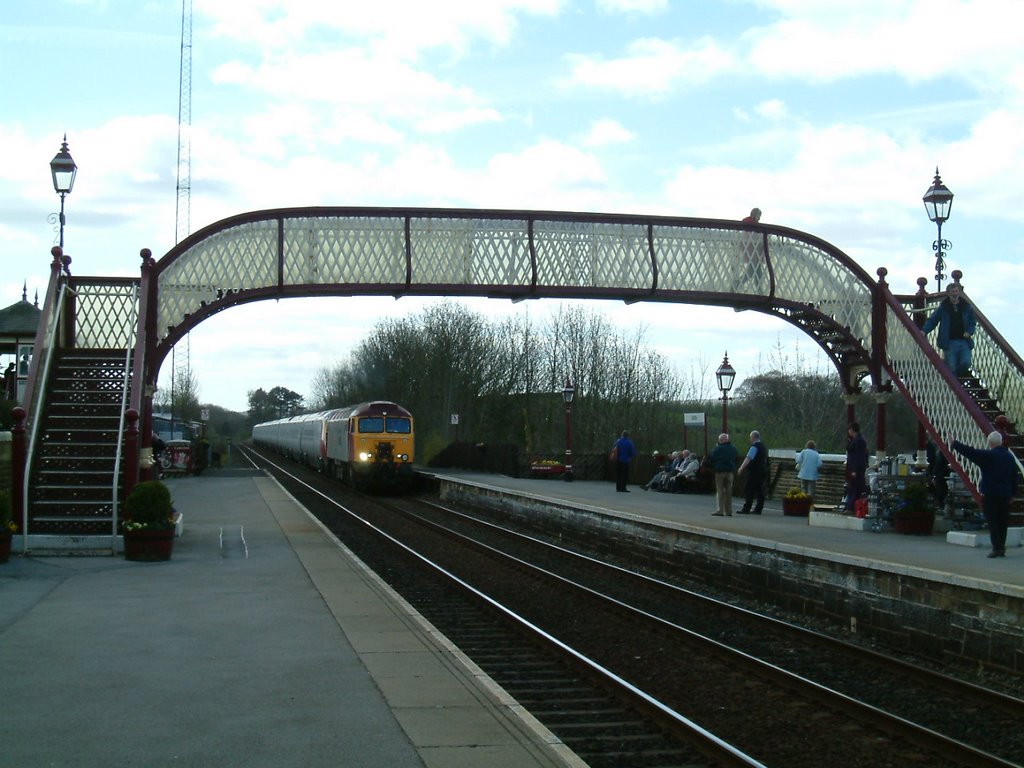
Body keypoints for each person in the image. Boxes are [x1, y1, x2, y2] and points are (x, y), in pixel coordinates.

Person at [951, 431, 1019, 558]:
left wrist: (955, 444)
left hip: (991, 493)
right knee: (1002, 522)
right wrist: (1013, 493)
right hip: (1005, 494)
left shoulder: (988, 456)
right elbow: (1014, 477)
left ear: (990, 443)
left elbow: (971, 453)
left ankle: (996, 548)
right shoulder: (1009, 457)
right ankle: (1001, 547)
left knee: (993, 521)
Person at [922, 282, 977, 377]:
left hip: (964, 341)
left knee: (966, 362)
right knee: (951, 366)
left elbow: (972, 321)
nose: (955, 294)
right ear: (948, 293)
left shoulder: (966, 306)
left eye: (956, 291)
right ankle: (954, 385)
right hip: (949, 341)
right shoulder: (944, 307)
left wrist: (969, 331)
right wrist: (924, 331)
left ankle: (956, 379)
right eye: (952, 292)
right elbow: (933, 320)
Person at [736, 430, 768, 514]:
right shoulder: (763, 447)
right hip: (762, 470)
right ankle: (758, 508)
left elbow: (748, 458)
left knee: (749, 489)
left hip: (754, 471)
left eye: (750, 437)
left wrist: (741, 468)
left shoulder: (754, 447)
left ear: (753, 437)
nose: (750, 439)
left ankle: (746, 508)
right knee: (760, 490)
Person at [708, 433, 738, 516]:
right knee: (728, 491)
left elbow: (711, 457)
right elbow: (736, 456)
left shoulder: (718, 449)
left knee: (720, 490)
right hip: (730, 472)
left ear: (720, 440)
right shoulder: (733, 448)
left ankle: (720, 510)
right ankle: (729, 511)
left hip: (720, 471)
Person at [845, 422, 868, 512]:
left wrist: (855, 470)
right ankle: (850, 506)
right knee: (852, 488)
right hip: (853, 467)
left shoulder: (859, 441)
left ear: (852, 430)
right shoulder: (856, 440)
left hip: (856, 469)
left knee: (855, 488)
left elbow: (859, 456)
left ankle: (851, 507)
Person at [926, 436, 950, 509]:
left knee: (940, 490)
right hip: (938, 474)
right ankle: (940, 504)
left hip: (941, 475)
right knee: (938, 490)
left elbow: (942, 465)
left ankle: (940, 504)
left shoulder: (942, 453)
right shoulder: (937, 451)